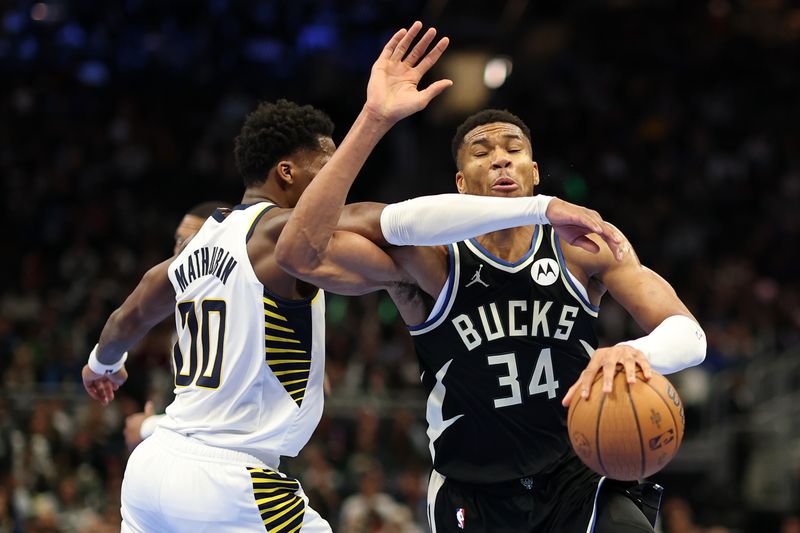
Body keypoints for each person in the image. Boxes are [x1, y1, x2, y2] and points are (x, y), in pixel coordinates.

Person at [81, 22, 617, 532]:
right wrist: (537, 208)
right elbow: (401, 222)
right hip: (234, 475)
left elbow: (130, 315)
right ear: (288, 173)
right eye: (327, 163)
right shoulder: (280, 232)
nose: (338, 176)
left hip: (152, 468)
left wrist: (103, 363)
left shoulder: (195, 249)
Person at [275, 23, 708, 533]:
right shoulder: (428, 258)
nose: (500, 157)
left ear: (534, 170)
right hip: (472, 490)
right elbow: (303, 250)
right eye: (481, 152)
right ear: (460, 184)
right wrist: (373, 118)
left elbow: (691, 335)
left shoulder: (582, 243)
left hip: (578, 477)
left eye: (514, 148)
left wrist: (636, 352)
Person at [124, 201, 232, 451]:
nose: (179, 255)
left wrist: (147, 426)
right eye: (178, 242)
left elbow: (219, 417)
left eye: (190, 243)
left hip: (239, 460)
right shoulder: (186, 319)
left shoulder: (249, 305)